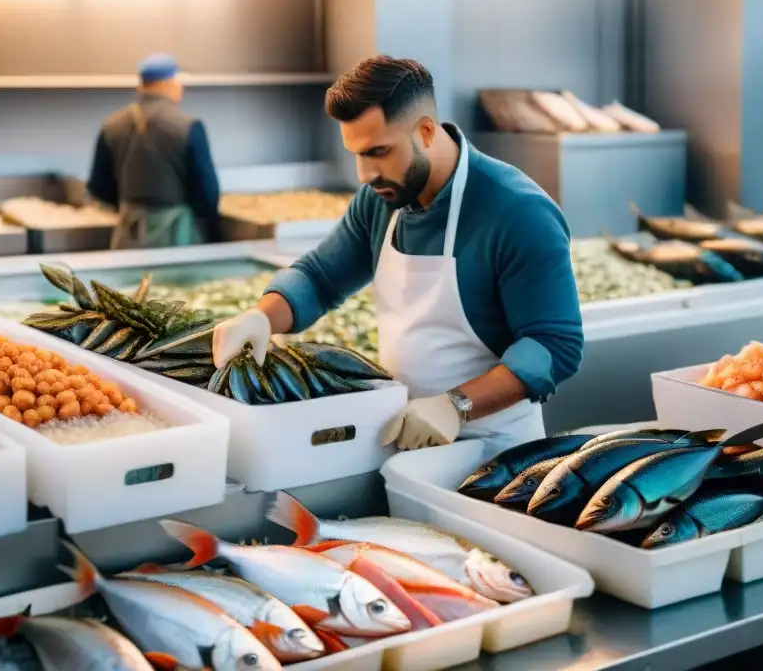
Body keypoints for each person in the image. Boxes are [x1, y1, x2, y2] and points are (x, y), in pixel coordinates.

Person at [212, 56, 584, 454]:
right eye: (356, 153)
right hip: (401, 435)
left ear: (425, 131)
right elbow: (321, 277)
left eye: (379, 151)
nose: (364, 174)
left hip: (494, 449)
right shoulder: (381, 200)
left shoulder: (517, 211)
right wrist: (261, 317)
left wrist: (455, 406)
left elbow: (554, 345)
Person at [87, 53, 222, 249]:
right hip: (176, 234)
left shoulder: (112, 125)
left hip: (128, 234)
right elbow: (207, 191)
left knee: (130, 280)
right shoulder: (188, 126)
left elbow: (98, 188)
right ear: (170, 83)